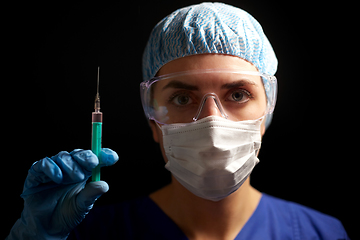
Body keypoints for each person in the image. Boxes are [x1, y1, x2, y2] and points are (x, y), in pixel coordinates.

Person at [7, 2, 349, 240]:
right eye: (183, 98)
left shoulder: (322, 234)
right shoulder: (92, 233)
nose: (212, 122)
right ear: (153, 122)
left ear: (267, 110)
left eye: (238, 95)